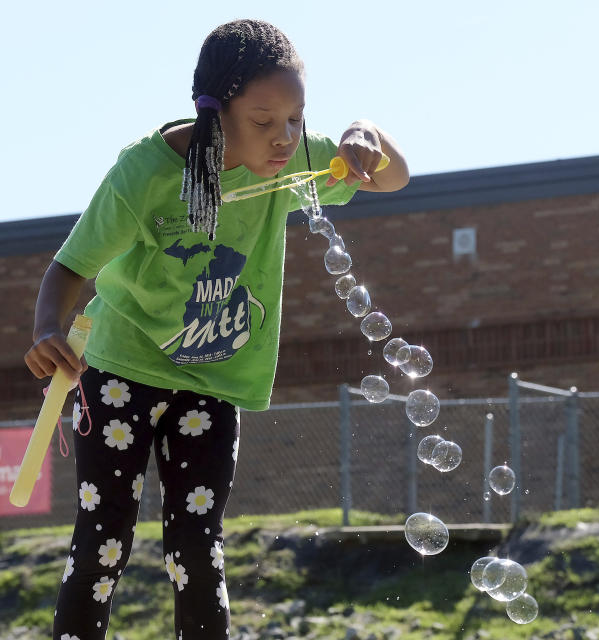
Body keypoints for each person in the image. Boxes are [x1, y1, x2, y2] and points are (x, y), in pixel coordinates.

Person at [23, 19, 408, 640]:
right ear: (213, 110)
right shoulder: (145, 174)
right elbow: (70, 268)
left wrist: (366, 134)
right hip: (121, 370)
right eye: (263, 121)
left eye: (295, 119)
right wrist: (47, 327)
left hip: (212, 383)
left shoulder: (293, 161)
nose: (285, 138)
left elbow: (395, 176)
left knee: (198, 550)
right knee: (104, 541)